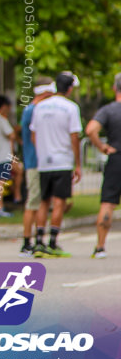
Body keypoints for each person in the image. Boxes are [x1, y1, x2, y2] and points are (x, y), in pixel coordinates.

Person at [30, 70, 83, 258]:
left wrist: (42, 151)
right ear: (69, 89)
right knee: (59, 201)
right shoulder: (71, 108)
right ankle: (52, 241)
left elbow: (33, 134)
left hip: (44, 161)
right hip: (62, 160)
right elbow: (74, 136)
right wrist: (78, 163)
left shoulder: (40, 107)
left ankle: (38, 241)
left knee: (43, 201)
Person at [85, 71, 121, 259]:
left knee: (108, 203)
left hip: (115, 159)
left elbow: (91, 130)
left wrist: (102, 147)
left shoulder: (108, 110)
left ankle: (100, 247)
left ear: (114, 88)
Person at [18, 79, 55, 256]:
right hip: (35, 162)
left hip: (39, 162)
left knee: (40, 201)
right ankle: (27, 242)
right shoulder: (33, 110)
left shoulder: (33, 110)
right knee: (34, 202)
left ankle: (36, 240)